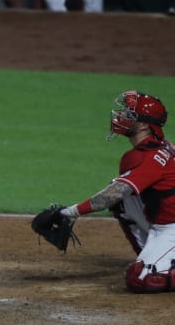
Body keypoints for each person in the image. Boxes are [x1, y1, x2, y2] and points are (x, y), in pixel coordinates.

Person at [55, 90, 175, 293]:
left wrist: (72, 212)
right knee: (122, 198)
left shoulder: (150, 158)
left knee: (140, 279)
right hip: (163, 222)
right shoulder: (156, 148)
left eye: (130, 114)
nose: (121, 117)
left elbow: (115, 193)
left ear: (144, 125)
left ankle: (163, 264)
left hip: (171, 227)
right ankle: (155, 254)